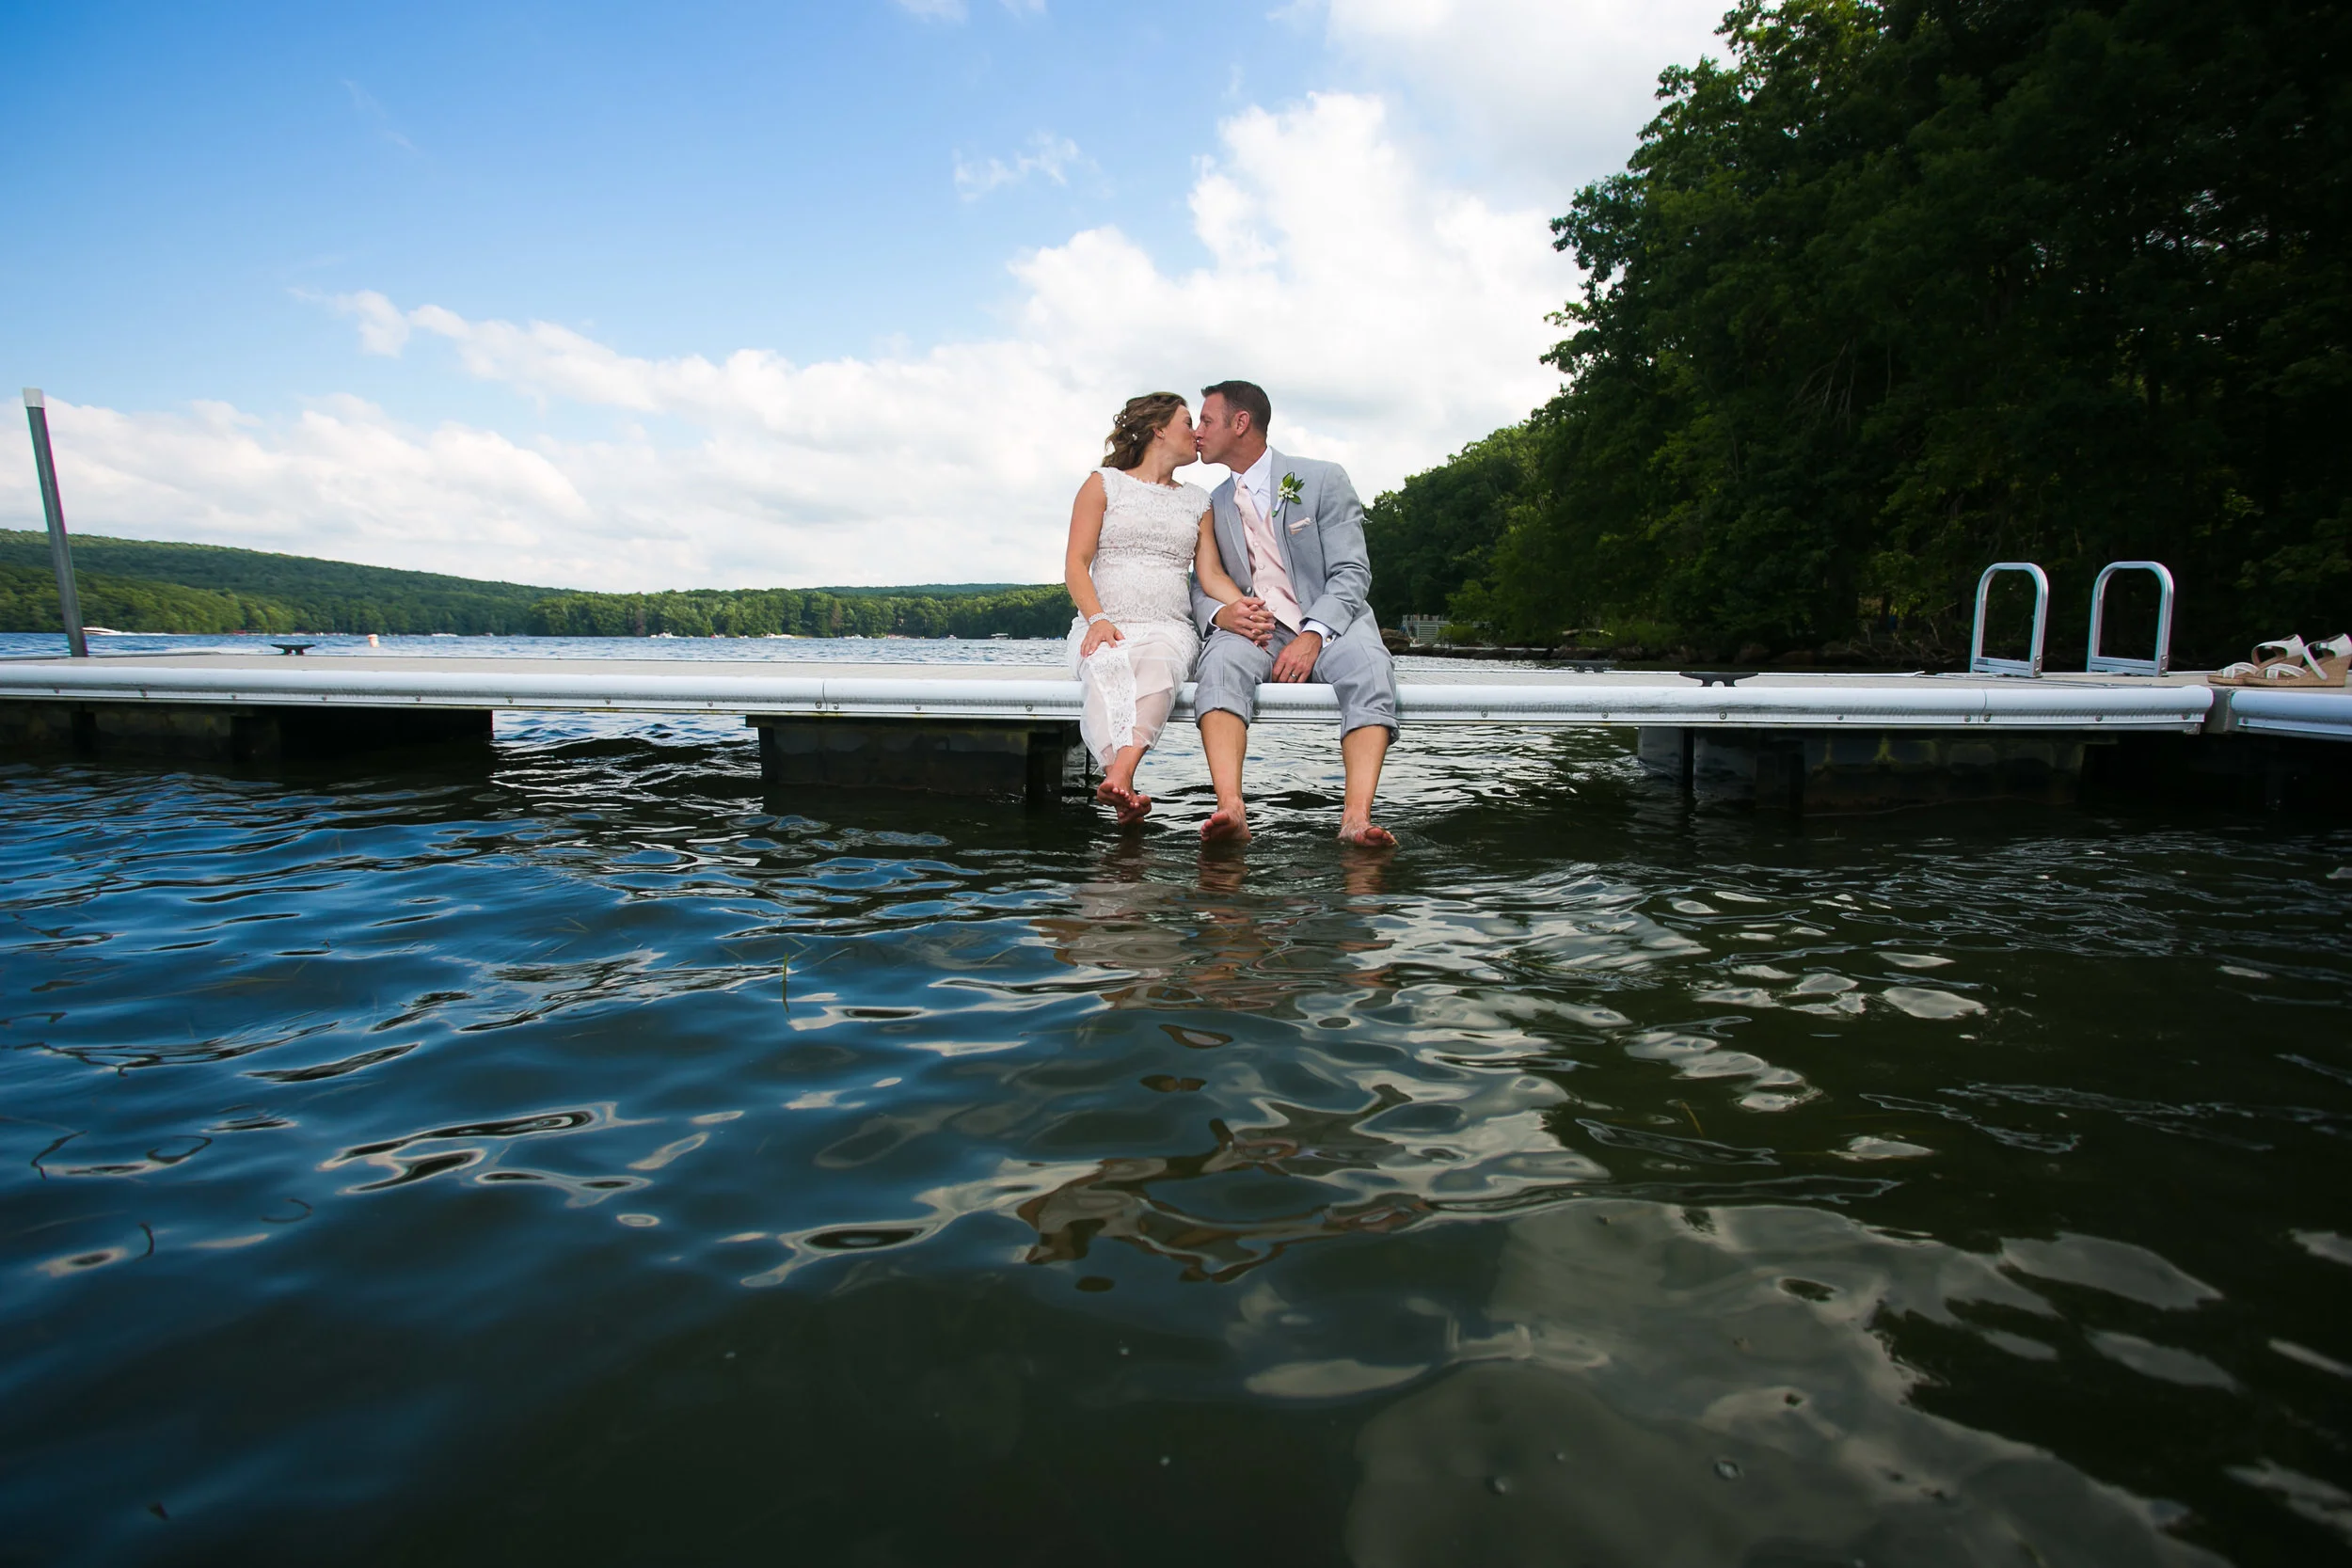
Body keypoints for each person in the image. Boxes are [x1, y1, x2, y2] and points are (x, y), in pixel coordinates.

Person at [1189, 380, 1398, 847]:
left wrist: (1314, 634)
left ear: (1240, 423)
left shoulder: (1322, 479)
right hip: (1255, 631)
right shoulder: (1211, 504)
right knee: (1218, 664)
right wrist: (1223, 616)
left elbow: (1351, 571)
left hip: (1330, 624)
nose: (1197, 431)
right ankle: (1231, 809)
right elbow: (1202, 584)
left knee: (1370, 667)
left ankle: (1356, 819)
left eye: (1206, 420)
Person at [1064, 393, 1252, 824]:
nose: (1198, 432)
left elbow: (1211, 575)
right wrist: (1098, 620)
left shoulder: (1198, 501)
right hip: (1103, 622)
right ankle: (1122, 785)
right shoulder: (1103, 484)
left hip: (1169, 627)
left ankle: (1119, 777)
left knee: (1159, 662)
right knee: (1106, 664)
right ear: (1159, 430)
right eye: (1189, 422)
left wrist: (1246, 607)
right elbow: (1075, 563)